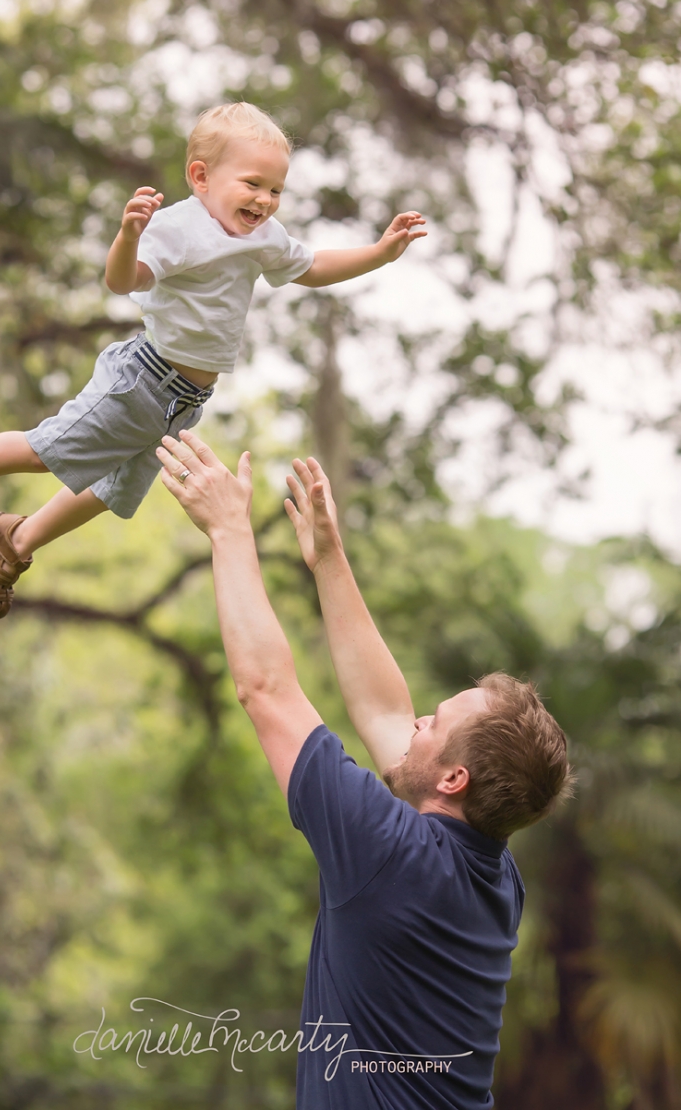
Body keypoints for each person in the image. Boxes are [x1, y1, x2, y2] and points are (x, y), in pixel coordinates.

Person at [0, 102, 427, 622]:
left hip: (185, 403)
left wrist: (378, 254)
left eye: (276, 189)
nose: (265, 200)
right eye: (253, 184)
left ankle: (16, 542)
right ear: (201, 177)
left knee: (111, 491)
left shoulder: (264, 239)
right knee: (49, 451)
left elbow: (312, 266)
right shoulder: (180, 229)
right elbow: (122, 281)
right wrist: (128, 235)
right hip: (142, 379)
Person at [154, 426, 573, 1110]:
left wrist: (231, 531)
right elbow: (384, 712)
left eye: (433, 723)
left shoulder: (390, 853)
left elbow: (265, 690)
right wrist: (328, 560)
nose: (415, 723)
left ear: (453, 781)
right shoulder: (493, 875)